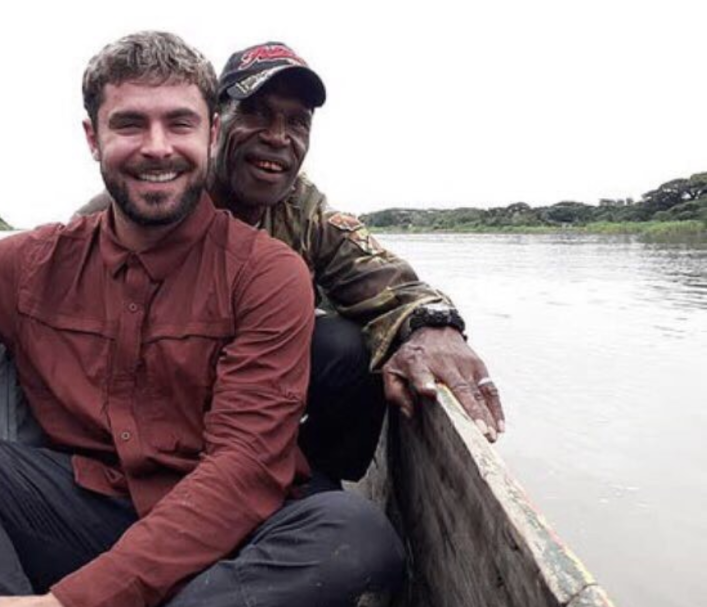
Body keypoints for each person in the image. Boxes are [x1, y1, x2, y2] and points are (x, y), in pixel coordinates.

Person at [0, 32, 403, 607]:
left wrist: (67, 602)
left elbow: (242, 469)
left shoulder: (268, 273)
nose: (157, 147)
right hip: (81, 507)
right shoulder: (33, 260)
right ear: (92, 137)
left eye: (179, 124)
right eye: (130, 123)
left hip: (226, 528)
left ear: (210, 135)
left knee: (352, 531)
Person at [77, 41, 505, 458]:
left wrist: (433, 326)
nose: (278, 137)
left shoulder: (304, 211)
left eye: (297, 122)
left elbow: (385, 280)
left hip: (251, 400)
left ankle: (313, 477)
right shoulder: (156, 192)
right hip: (151, 399)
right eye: (257, 113)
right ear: (214, 125)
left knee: (346, 347)